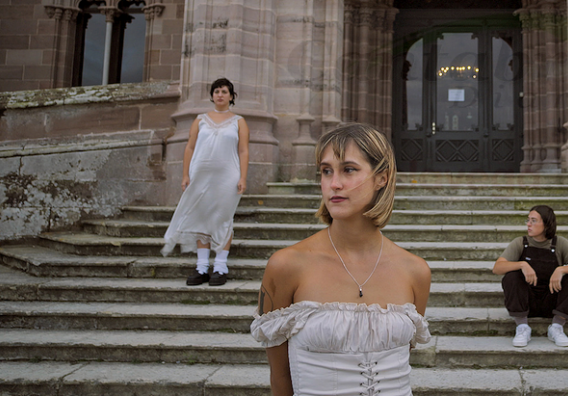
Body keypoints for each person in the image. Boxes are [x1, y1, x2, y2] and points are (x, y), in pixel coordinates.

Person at [251, 123, 432, 396]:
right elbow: (280, 378)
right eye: (326, 171)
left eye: (349, 169)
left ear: (381, 178)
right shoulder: (287, 266)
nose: (334, 184)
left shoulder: (415, 271)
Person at [161, 78, 250, 287]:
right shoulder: (200, 119)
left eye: (225, 91)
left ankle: (220, 266)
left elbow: (244, 150)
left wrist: (243, 177)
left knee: (222, 219)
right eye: (217, 91)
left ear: (231, 96)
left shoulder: (239, 121)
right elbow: (190, 147)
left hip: (227, 177)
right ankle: (202, 267)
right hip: (200, 176)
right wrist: (185, 174)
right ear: (212, 95)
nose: (220, 94)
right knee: (201, 218)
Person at [492, 204, 568, 348]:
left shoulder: (560, 243)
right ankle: (522, 328)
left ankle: (557, 327)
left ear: (546, 224)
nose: (528, 224)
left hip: (551, 303)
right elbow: (497, 268)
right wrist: (522, 265)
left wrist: (561, 270)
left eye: (533, 220)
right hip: (526, 302)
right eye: (528, 220)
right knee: (511, 275)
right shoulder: (520, 242)